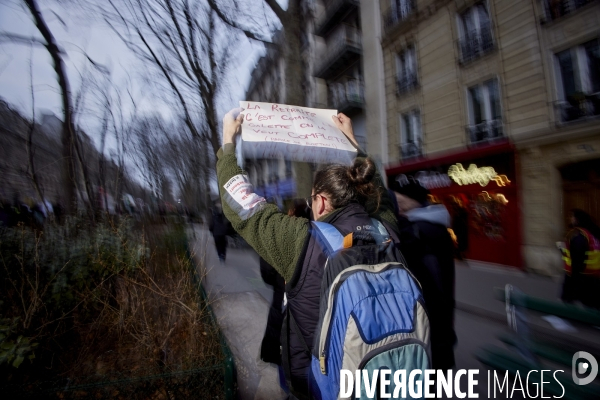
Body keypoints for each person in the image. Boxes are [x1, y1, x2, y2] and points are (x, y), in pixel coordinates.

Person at [216, 108, 399, 399]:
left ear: (322, 202)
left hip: (322, 386)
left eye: (312, 199)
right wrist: (352, 142)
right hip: (385, 378)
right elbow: (381, 194)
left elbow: (242, 207)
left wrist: (228, 143)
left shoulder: (302, 240)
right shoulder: (387, 231)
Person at [389, 177, 457, 370]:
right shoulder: (426, 226)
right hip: (434, 329)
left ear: (415, 201)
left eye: (400, 202)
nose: (398, 208)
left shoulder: (424, 230)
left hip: (432, 331)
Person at [560, 209, 600, 309]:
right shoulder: (593, 234)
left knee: (570, 300)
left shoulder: (579, 235)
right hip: (594, 275)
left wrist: (574, 278)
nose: (571, 219)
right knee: (592, 303)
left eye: (572, 217)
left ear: (577, 220)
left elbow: (578, 255)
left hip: (579, 274)